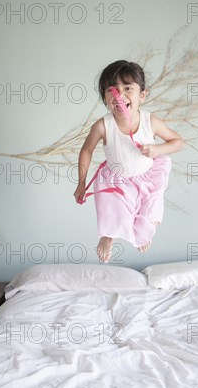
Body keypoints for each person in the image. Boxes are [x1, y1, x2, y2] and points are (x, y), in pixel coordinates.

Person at [74, 60, 184, 262]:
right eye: (112, 89)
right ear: (105, 97)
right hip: (118, 181)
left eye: (127, 88)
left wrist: (158, 148)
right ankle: (108, 237)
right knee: (112, 210)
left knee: (152, 215)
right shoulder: (103, 125)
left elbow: (177, 142)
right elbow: (86, 150)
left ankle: (144, 229)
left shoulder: (150, 122)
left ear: (142, 94)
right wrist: (81, 182)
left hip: (148, 178)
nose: (119, 94)